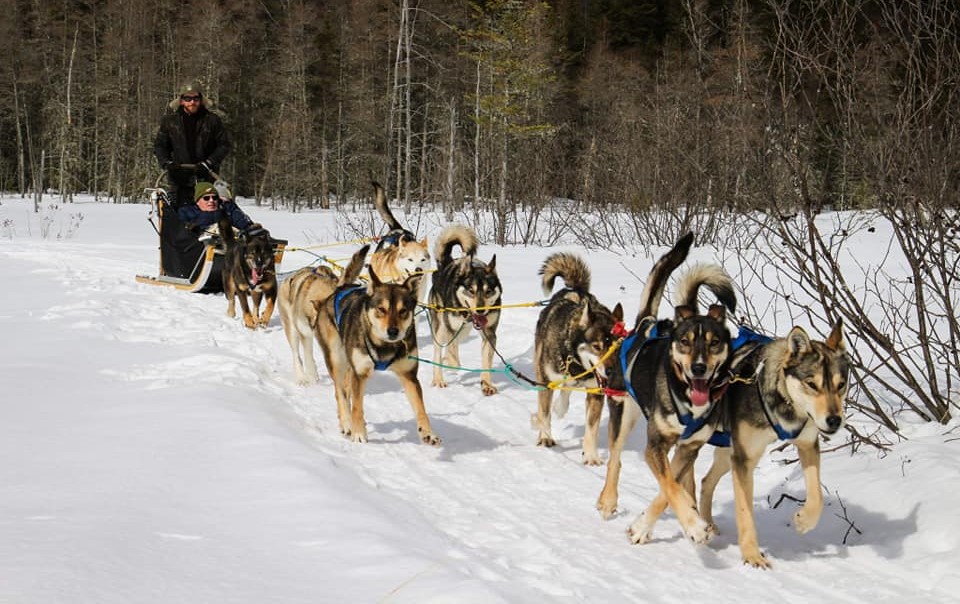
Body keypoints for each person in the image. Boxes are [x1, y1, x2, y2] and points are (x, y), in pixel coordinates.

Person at [153, 81, 232, 278]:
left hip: (205, 179)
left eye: (195, 98)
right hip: (178, 178)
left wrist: (210, 162)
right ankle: (178, 266)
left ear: (201, 100)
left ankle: (212, 263)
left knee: (209, 220)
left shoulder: (212, 120)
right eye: (187, 98)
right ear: (181, 101)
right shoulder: (169, 121)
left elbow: (224, 145)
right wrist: (166, 163)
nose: (192, 102)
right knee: (179, 221)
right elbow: (160, 146)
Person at [179, 181, 255, 235]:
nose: (211, 200)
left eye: (215, 197)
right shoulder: (186, 212)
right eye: (206, 198)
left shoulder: (227, 209)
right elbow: (181, 232)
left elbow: (243, 223)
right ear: (197, 202)